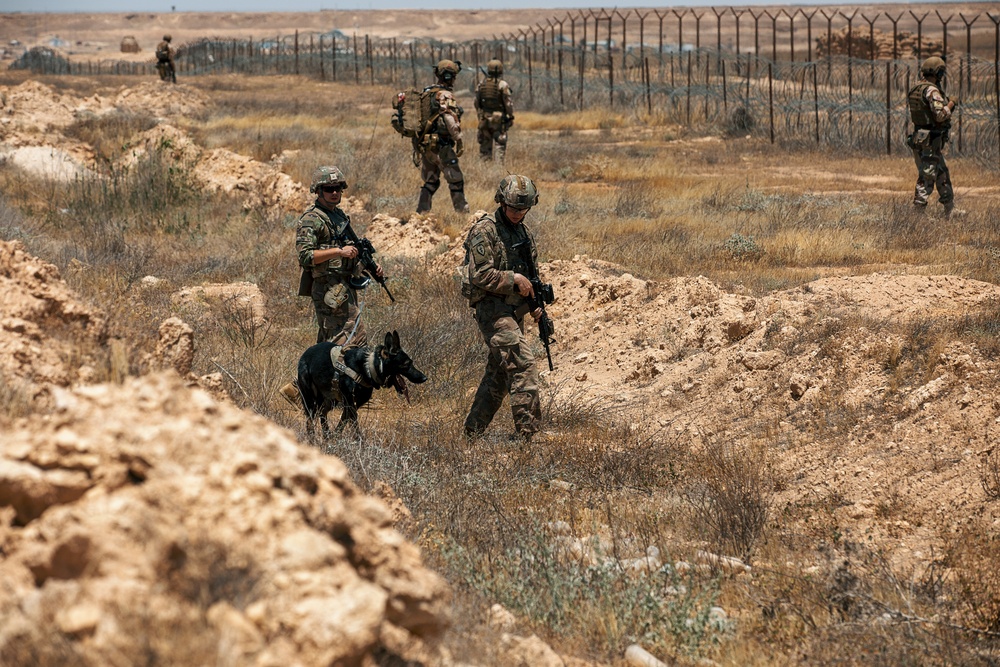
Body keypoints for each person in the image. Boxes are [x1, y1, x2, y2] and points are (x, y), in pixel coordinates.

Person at [462, 175, 544, 442]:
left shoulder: (523, 232)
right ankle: (529, 438)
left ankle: (472, 433)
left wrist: (536, 306)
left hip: (512, 310)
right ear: (501, 202)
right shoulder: (485, 230)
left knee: (498, 376)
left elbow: (531, 275)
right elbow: (480, 275)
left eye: (524, 208)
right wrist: (513, 280)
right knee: (522, 365)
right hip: (491, 309)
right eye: (514, 208)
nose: (519, 213)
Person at [296, 165, 382, 347]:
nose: (334, 193)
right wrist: (338, 252)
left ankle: (316, 373)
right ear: (318, 191)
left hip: (344, 285)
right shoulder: (312, 219)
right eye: (328, 189)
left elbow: (352, 246)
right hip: (327, 287)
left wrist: (369, 265)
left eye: (338, 188)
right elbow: (305, 255)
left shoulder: (338, 215)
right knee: (343, 341)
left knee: (343, 338)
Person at [416, 59, 469, 214]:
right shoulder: (445, 95)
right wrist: (458, 139)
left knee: (431, 182)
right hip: (442, 146)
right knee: (456, 180)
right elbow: (449, 119)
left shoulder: (426, 92)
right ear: (450, 77)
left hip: (426, 146)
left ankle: (421, 214)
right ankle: (463, 216)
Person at [907, 56, 958, 215]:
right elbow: (939, 116)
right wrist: (951, 104)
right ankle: (918, 213)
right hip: (931, 140)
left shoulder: (917, 87)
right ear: (938, 73)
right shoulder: (932, 90)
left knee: (942, 173)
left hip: (921, 137)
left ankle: (950, 209)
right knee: (927, 176)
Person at [474, 59, 514, 163]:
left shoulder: (481, 84)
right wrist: (510, 116)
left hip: (484, 119)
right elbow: (508, 104)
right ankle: (498, 171)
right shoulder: (503, 85)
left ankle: (485, 171)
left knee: (484, 149)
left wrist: (480, 115)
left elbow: (476, 103)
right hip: (499, 121)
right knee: (500, 146)